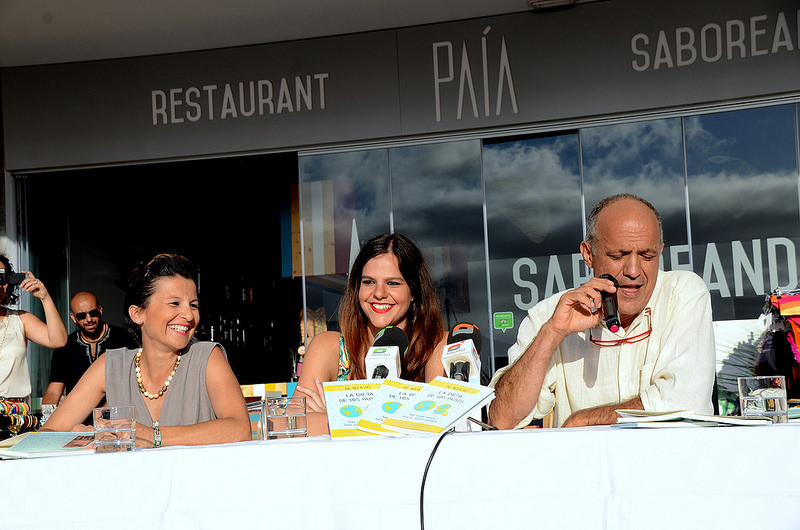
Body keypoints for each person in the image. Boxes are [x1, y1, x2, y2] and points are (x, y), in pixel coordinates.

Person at [488, 194, 716, 429]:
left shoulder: (683, 293)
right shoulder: (550, 315)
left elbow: (687, 403)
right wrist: (552, 333)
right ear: (588, 254)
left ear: (660, 252)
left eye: (647, 256)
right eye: (618, 256)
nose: (633, 270)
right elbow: (502, 419)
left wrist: (585, 420)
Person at [43, 253, 250, 447]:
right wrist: (84, 440)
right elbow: (48, 433)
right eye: (175, 303)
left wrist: (154, 436)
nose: (188, 315)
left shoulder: (206, 357)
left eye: (193, 305)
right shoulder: (112, 365)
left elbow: (240, 429)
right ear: (137, 314)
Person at [296, 233, 448, 436]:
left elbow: (437, 424)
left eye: (393, 283)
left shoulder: (437, 345)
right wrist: (396, 421)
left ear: (414, 292)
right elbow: (292, 424)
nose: (379, 293)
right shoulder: (329, 346)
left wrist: (335, 416)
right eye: (369, 282)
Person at [42, 291, 138, 408]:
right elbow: (53, 391)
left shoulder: (123, 339)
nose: (89, 319)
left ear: (100, 310)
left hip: (116, 416)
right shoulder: (65, 346)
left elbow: (136, 382)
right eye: (82, 316)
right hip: (77, 418)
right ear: (73, 318)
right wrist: (46, 420)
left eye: (93, 313)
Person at [0, 255, 68, 402]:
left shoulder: (20, 319)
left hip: (14, 414)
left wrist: (45, 297)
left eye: (2, 277)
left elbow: (59, 340)